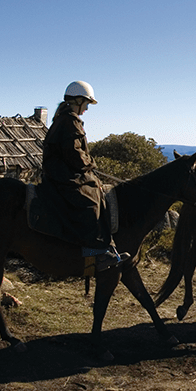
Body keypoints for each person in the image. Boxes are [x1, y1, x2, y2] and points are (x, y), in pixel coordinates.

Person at [38, 81, 127, 273]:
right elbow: (74, 153)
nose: (86, 108)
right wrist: (90, 164)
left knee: (97, 191)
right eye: (86, 103)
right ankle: (94, 254)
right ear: (77, 100)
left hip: (63, 172)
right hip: (64, 176)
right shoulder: (70, 121)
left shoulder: (65, 118)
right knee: (90, 203)